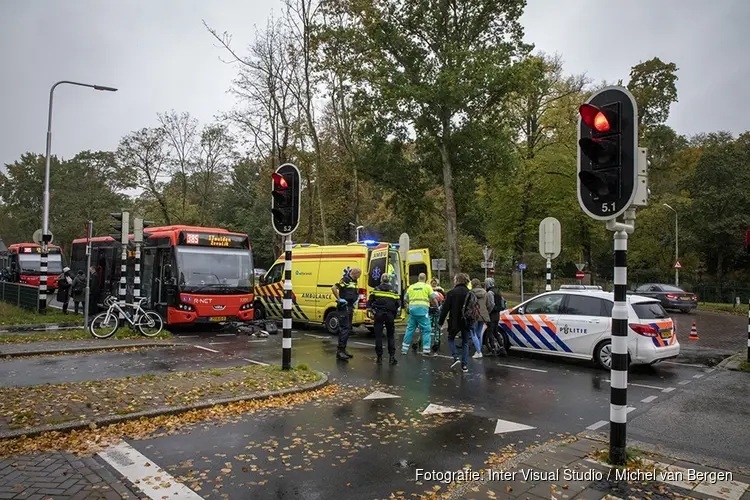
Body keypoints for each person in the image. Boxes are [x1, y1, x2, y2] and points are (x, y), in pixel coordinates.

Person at [438, 273, 472, 373]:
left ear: (457, 280)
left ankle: (455, 356)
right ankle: (464, 365)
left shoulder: (452, 293)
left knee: (450, 338)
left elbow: (445, 309)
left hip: (454, 320)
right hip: (466, 320)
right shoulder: (469, 293)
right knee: (465, 342)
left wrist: (441, 322)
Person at [367, 273, 400, 365]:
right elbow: (398, 304)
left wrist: (373, 311)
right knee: (390, 336)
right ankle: (392, 357)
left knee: (378, 336)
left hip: (378, 314)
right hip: (389, 315)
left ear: (381, 280)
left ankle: (379, 357)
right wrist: (393, 313)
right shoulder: (393, 291)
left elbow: (369, 302)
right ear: (389, 280)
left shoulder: (376, 290)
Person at [401, 273, 437, 356]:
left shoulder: (412, 287)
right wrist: (437, 306)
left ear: (418, 278)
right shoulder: (427, 287)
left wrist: (409, 304)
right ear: (425, 278)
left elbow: (405, 298)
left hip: (412, 311)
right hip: (423, 312)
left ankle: (404, 349)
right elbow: (434, 298)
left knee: (410, 329)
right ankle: (426, 350)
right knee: (427, 330)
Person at [331, 267, 361, 361]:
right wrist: (339, 299)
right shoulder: (345, 280)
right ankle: (340, 352)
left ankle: (343, 350)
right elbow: (334, 288)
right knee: (345, 328)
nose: (359, 277)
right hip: (344, 307)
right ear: (355, 273)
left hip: (350, 307)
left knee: (348, 328)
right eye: (359, 275)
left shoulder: (354, 281)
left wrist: (356, 299)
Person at [469, 278, 493, 359]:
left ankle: (478, 351)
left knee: (473, 333)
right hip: (483, 315)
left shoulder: (471, 293)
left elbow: (470, 304)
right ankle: (478, 350)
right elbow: (489, 304)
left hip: (474, 315)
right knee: (479, 333)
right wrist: (486, 312)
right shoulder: (485, 292)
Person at [483, 278, 505, 355]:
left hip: (491, 315)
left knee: (490, 332)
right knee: (495, 332)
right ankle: (502, 348)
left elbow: (491, 304)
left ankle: (492, 349)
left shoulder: (490, 293)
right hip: (497, 314)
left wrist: (488, 312)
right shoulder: (497, 291)